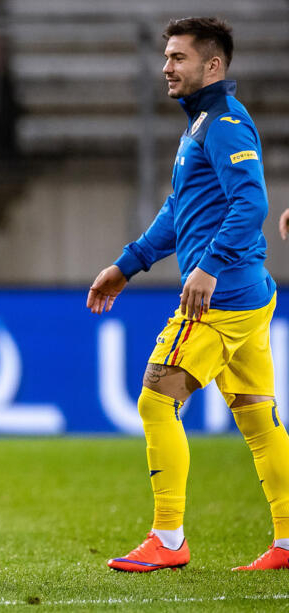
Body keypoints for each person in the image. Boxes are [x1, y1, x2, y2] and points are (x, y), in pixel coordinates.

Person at [88, 17, 289, 572]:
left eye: (178, 57)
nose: (166, 67)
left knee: (156, 401)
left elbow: (252, 204)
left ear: (213, 65)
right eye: (167, 56)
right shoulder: (200, 123)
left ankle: (169, 538)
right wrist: (129, 265)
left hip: (221, 299)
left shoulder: (223, 123)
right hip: (248, 293)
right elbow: (181, 210)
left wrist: (208, 267)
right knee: (258, 419)